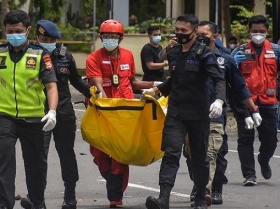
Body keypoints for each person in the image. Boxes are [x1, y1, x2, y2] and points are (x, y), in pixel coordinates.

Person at [0, 10, 58, 209]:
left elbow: (51, 86)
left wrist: (52, 111)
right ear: (5, 30)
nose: (14, 34)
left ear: (27, 30)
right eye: (10, 31)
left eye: (18, 30)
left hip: (34, 118)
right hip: (5, 116)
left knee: (36, 165)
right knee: (4, 161)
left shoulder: (40, 54)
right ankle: (5, 204)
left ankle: (37, 202)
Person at [143, 14, 226, 209]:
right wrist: (156, 90)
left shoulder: (205, 54)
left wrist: (219, 101)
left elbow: (219, 79)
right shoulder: (173, 53)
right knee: (171, 153)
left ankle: (199, 199)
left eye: (184, 31)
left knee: (199, 157)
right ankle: (163, 198)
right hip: (176, 112)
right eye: (177, 30)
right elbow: (174, 80)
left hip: (198, 114)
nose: (179, 34)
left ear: (195, 32)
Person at [185, 21, 262, 206]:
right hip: (191, 116)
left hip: (215, 116)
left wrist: (251, 110)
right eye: (198, 34)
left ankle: (208, 190)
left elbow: (239, 87)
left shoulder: (225, 60)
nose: (201, 37)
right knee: (191, 155)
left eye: (205, 34)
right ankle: (199, 185)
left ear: (215, 37)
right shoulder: (187, 56)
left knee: (213, 154)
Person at [85, 19, 158, 208]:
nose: (110, 39)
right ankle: (112, 182)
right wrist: (100, 94)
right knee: (99, 153)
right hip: (102, 112)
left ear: (120, 38)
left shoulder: (128, 56)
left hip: (125, 113)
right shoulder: (93, 58)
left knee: (120, 154)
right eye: (106, 36)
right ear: (101, 37)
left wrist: (154, 86)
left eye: (114, 36)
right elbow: (96, 81)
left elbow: (132, 82)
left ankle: (115, 197)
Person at [20, 20, 91, 209]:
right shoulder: (29, 56)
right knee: (38, 156)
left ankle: (70, 197)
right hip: (38, 114)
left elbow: (75, 79)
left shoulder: (64, 55)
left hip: (64, 113)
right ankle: (37, 199)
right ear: (36, 38)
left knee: (67, 154)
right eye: (45, 38)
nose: (49, 42)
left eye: (52, 39)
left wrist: (92, 93)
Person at [231, 15, 280, 186]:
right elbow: (227, 72)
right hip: (245, 103)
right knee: (245, 139)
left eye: (261, 32)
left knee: (270, 140)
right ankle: (249, 175)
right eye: (254, 31)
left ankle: (264, 160)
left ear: (267, 32)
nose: (258, 34)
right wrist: (234, 63)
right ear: (249, 32)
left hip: (268, 103)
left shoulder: (276, 50)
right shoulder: (239, 51)